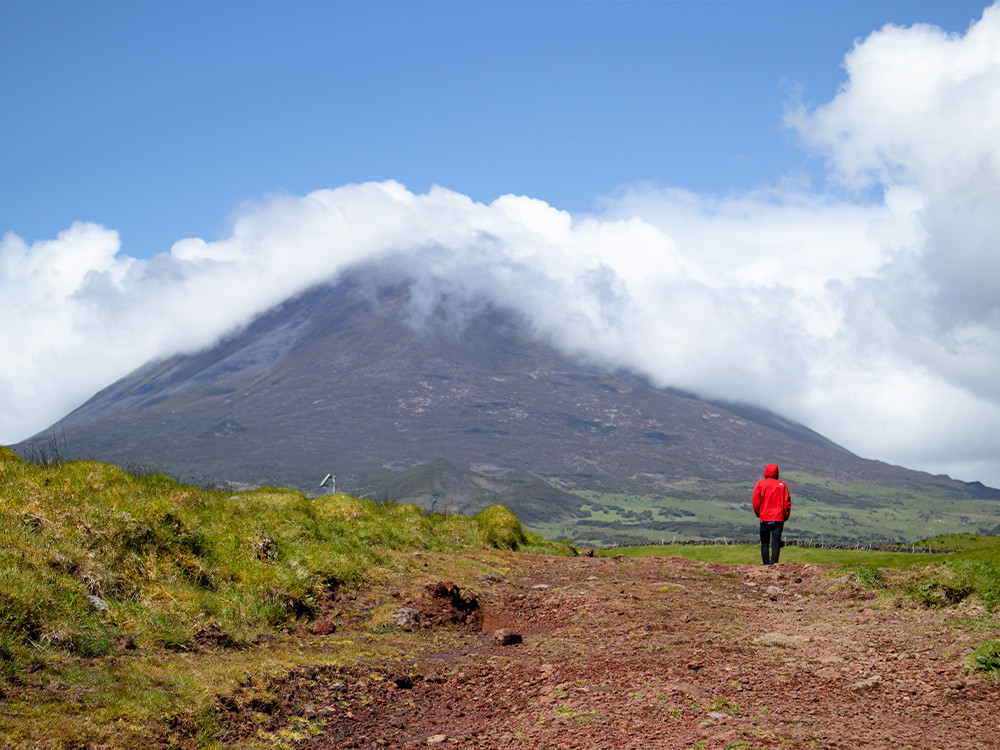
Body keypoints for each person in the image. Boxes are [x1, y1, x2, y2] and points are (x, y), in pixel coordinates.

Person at [752, 463, 791, 565]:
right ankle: (774, 565)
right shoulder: (782, 485)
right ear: (777, 472)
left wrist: (759, 514)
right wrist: (785, 516)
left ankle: (765, 565)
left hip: (764, 517)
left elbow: (756, 502)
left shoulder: (760, 484)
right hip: (778, 518)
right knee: (776, 542)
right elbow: (787, 503)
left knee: (764, 542)